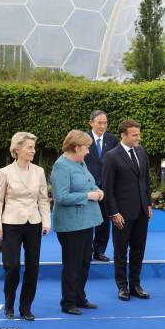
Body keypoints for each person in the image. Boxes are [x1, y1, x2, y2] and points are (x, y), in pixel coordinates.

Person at [0, 132, 51, 321]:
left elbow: (43, 199)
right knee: (13, 267)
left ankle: (26, 308)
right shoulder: (5, 172)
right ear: (17, 149)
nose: (33, 151)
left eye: (34, 147)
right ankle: (9, 305)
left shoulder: (39, 171)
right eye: (29, 147)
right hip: (11, 224)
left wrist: (46, 221)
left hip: (34, 223)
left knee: (33, 268)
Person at [51, 130, 104, 315]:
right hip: (70, 224)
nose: (88, 152)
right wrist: (88, 196)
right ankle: (68, 302)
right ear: (75, 147)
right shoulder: (61, 166)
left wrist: (97, 190)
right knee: (72, 264)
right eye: (86, 148)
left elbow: (89, 183)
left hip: (86, 221)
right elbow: (61, 196)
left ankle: (80, 297)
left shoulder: (80, 162)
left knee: (84, 263)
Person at [102, 119, 153, 301]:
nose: (138, 138)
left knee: (138, 250)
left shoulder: (141, 151)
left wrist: (148, 204)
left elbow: (145, 180)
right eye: (134, 135)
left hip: (141, 212)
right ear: (123, 135)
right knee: (121, 251)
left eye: (139, 134)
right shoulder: (111, 156)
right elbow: (108, 189)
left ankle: (136, 285)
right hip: (122, 214)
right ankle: (122, 287)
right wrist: (114, 213)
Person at [85, 110, 119, 262]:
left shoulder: (112, 140)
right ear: (91, 123)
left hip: (106, 187)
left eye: (105, 123)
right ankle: (84, 252)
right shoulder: (83, 139)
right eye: (99, 123)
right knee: (85, 222)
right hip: (86, 188)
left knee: (104, 222)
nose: (103, 126)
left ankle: (99, 251)